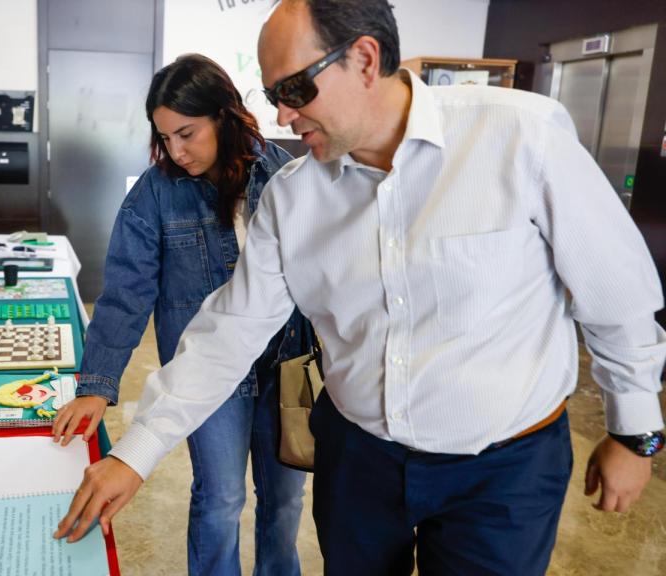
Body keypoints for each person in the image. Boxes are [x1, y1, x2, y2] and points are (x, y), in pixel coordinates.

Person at [54, 1, 666, 574]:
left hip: (502, 472)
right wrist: (136, 450)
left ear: (365, 59)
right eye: (273, 96)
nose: (282, 116)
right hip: (358, 463)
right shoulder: (294, 196)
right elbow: (230, 330)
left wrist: (633, 429)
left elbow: (616, 292)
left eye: (294, 90)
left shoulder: (518, 136)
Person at [49, 53, 315, 575]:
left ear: (224, 116)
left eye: (187, 134)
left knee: (285, 499)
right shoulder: (155, 194)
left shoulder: (284, 174)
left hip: (285, 365)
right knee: (220, 497)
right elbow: (126, 293)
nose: (176, 151)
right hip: (207, 372)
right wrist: (97, 383)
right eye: (165, 137)